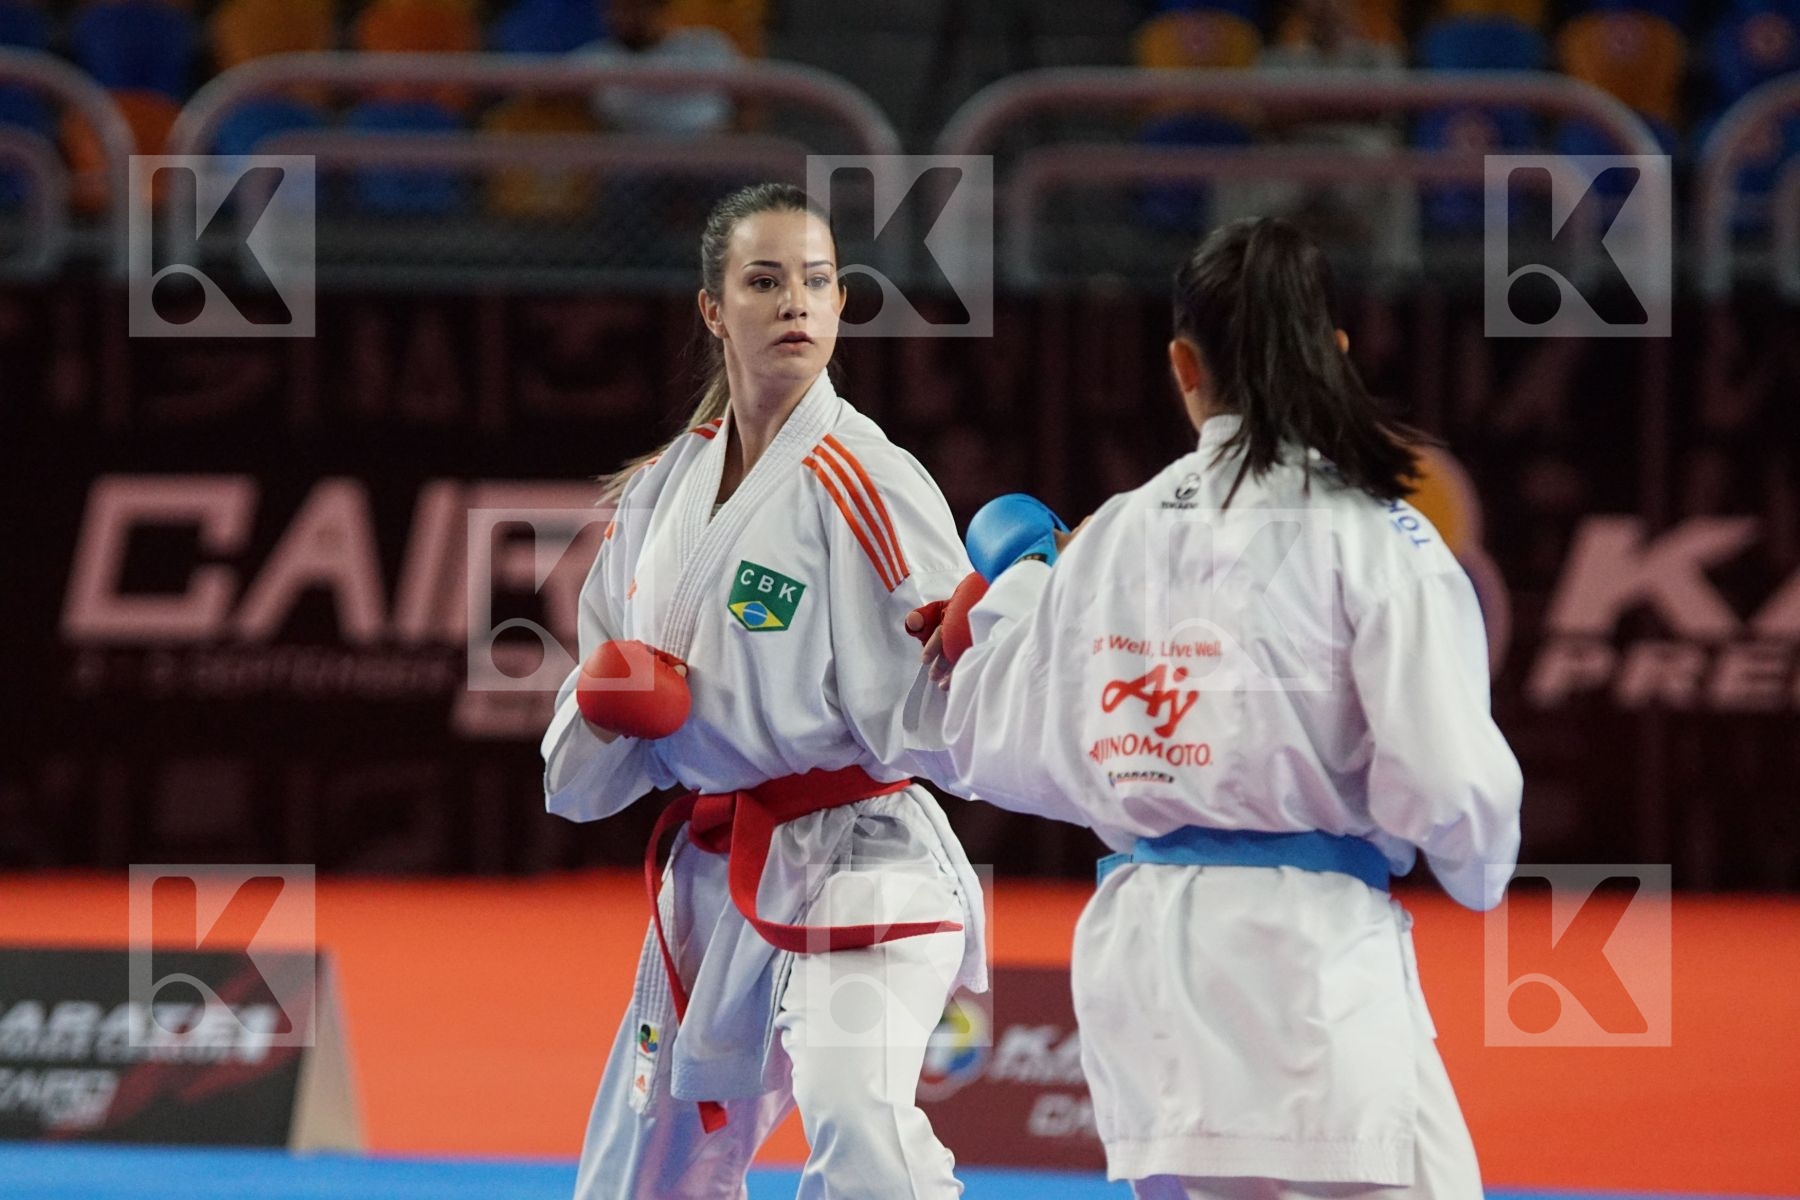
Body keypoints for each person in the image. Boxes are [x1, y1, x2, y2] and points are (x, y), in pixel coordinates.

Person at [925, 217, 1522, 1199]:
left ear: (1182, 365)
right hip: (1307, 965)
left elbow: (1000, 749)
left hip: (1145, 959)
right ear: (1331, 355)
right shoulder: (1379, 535)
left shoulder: (1112, 537)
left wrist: (1018, 592)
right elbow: (1446, 775)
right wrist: (1478, 866)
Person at [541, 182, 984, 1199]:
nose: (796, 302)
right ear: (713, 308)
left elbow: (943, 737)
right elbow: (577, 779)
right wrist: (609, 710)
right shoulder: (661, 494)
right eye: (766, 280)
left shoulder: (865, 478)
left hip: (864, 859)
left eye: (818, 282)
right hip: (714, 878)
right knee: (639, 1184)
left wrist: (970, 654)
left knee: (860, 1118)